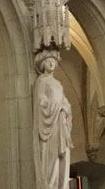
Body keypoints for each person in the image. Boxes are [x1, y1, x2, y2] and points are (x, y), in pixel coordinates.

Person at [34, 50, 72, 189]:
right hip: (50, 122)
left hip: (60, 121)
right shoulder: (41, 81)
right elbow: (41, 101)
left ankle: (62, 185)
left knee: (62, 156)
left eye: (54, 61)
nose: (51, 63)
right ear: (43, 64)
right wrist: (56, 107)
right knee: (51, 158)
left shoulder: (58, 83)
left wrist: (65, 107)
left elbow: (64, 100)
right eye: (48, 61)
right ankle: (50, 185)